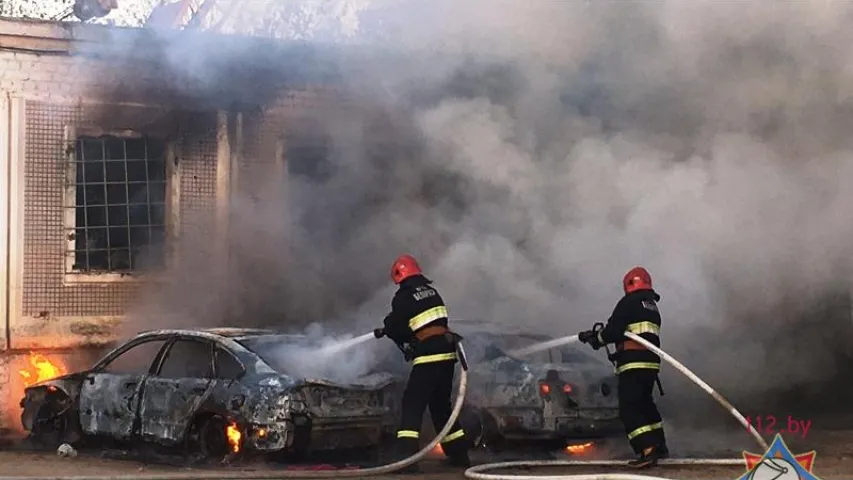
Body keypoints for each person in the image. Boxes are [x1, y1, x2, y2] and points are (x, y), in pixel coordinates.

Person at [374, 254, 470, 472]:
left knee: (412, 405)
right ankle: (459, 455)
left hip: (428, 355)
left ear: (399, 276)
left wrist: (388, 327)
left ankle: (406, 460)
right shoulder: (432, 292)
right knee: (441, 407)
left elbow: (400, 326)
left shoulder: (403, 296)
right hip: (447, 355)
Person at [578, 266, 668, 468]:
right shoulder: (651, 305)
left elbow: (613, 331)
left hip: (633, 362)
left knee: (629, 408)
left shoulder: (629, 302)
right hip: (650, 363)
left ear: (628, 284)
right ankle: (659, 446)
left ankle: (647, 450)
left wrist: (596, 339)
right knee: (645, 404)